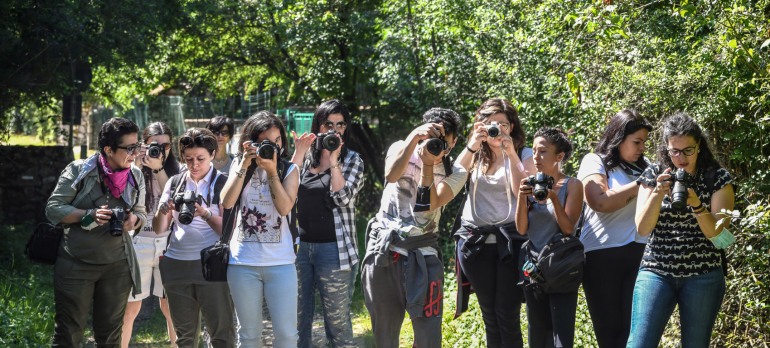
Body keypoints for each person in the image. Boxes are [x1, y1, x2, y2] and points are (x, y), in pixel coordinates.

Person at [362, 108, 468, 348]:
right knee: (384, 334)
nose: (440, 149)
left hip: (423, 254)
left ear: (454, 143)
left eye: (446, 145)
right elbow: (390, 175)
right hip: (385, 251)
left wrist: (429, 166)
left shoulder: (457, 172)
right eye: (435, 140)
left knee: (429, 336)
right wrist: (413, 139)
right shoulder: (401, 146)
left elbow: (426, 206)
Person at [627, 112, 735, 348]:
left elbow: (718, 235)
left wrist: (696, 203)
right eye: (674, 151)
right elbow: (642, 228)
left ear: (699, 147)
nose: (681, 158)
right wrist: (657, 193)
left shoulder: (717, 178)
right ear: (666, 149)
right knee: (639, 343)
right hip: (656, 270)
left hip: (703, 275)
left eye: (688, 150)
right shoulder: (654, 175)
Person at [46, 117, 146, 346]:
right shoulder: (79, 170)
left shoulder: (136, 175)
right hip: (75, 263)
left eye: (136, 146)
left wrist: (134, 220)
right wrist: (87, 215)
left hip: (117, 266)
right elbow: (53, 209)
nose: (135, 153)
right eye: (129, 148)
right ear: (108, 149)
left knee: (110, 335)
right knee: (69, 334)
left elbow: (141, 211)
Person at [453, 98, 536, 348]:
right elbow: (455, 176)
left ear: (512, 127)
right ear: (481, 125)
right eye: (492, 124)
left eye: (503, 124)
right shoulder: (476, 153)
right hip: (475, 241)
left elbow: (523, 191)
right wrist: (472, 145)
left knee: (507, 313)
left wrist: (509, 152)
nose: (498, 129)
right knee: (489, 313)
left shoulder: (523, 153)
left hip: (509, 243)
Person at [220, 111, 300, 348]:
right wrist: (245, 164)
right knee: (249, 336)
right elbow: (226, 202)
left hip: (282, 263)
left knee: (286, 336)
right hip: (242, 262)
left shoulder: (290, 170)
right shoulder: (239, 164)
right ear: (251, 141)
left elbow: (285, 208)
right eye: (266, 141)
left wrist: (272, 172)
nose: (273, 146)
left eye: (277, 141)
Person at [291, 100, 365, 348]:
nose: (334, 130)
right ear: (318, 126)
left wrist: (334, 162)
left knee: (337, 321)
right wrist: (299, 152)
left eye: (340, 125)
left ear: (346, 128)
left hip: (335, 251)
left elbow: (342, 198)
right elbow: (284, 192)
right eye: (328, 125)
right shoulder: (306, 159)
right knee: (298, 318)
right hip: (301, 249)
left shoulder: (353, 160)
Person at [153, 128, 234, 348]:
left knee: (221, 334)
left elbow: (228, 230)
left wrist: (205, 213)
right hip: (176, 264)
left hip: (211, 265)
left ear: (212, 155)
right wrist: (163, 210)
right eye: (188, 159)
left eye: (200, 158)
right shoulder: (175, 182)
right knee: (184, 338)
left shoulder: (223, 183)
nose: (194, 165)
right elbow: (160, 229)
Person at [576, 109, 651, 348]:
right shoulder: (595, 161)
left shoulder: (648, 166)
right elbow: (600, 201)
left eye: (644, 142)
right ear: (619, 139)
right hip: (601, 255)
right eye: (636, 142)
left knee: (634, 333)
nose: (642, 148)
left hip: (641, 255)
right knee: (609, 332)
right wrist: (641, 185)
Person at [515, 127, 583, 348]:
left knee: (562, 337)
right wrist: (521, 198)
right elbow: (522, 229)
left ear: (559, 156)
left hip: (562, 267)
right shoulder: (529, 184)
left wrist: (553, 197)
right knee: (538, 335)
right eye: (534, 150)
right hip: (533, 267)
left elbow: (568, 229)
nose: (536, 156)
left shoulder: (572, 185)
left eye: (543, 151)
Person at [121, 122, 181, 348]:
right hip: (138, 243)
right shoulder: (132, 167)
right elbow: (125, 199)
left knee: (171, 306)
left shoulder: (177, 170)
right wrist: (136, 165)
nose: (161, 150)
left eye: (166, 145)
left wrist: (158, 169)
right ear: (143, 145)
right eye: (154, 145)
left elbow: (174, 200)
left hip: (169, 244)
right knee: (130, 307)